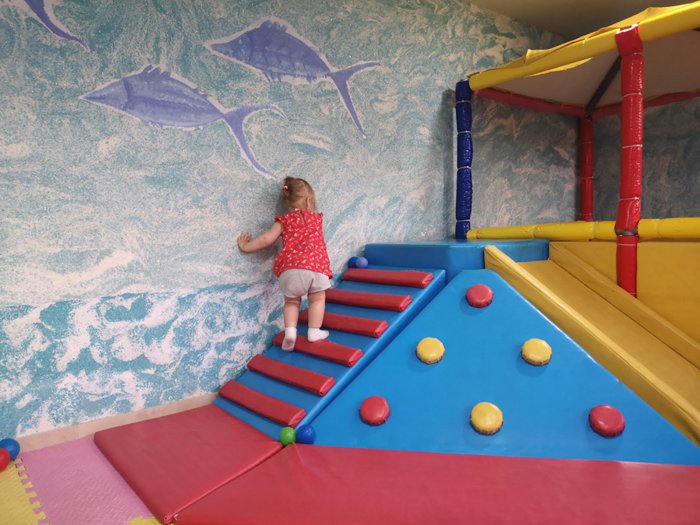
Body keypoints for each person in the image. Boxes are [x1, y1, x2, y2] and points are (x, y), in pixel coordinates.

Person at [238, 177, 332, 351]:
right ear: (309, 201)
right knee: (317, 299)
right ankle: (314, 331)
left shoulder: (283, 221)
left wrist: (245, 246)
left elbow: (266, 239)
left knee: (291, 302)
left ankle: (290, 332)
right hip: (316, 268)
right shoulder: (316, 219)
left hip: (291, 270)